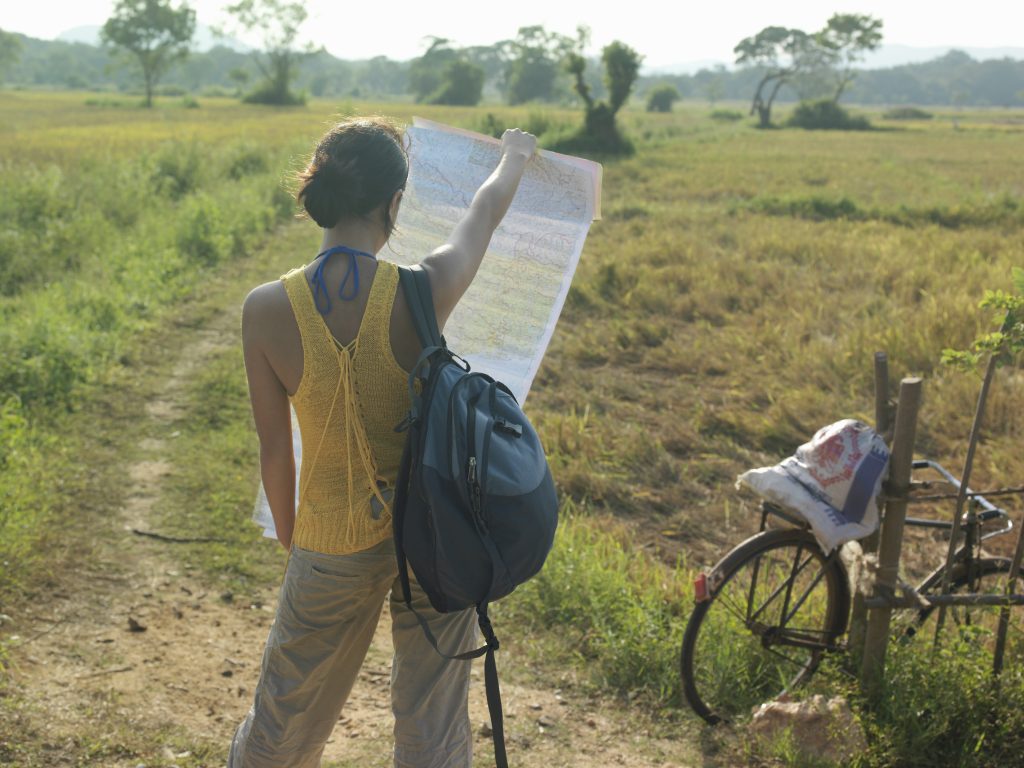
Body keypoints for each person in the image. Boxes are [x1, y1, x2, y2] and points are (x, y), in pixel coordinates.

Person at [228, 117, 537, 767]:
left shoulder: (263, 309)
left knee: (284, 714)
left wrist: (296, 539)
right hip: (435, 533)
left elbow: (276, 451)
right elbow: (484, 212)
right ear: (395, 204)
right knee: (431, 719)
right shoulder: (425, 291)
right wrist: (513, 155)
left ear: (324, 197)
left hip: (326, 537)